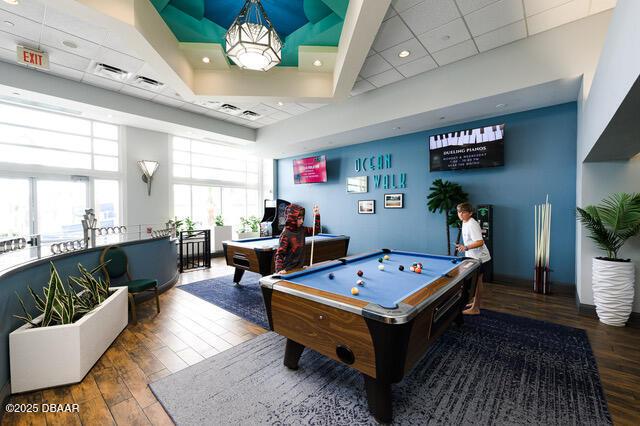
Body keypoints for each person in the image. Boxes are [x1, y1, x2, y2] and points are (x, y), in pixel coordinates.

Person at [455, 202, 491, 315]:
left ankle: (476, 308)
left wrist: (465, 247)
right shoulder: (464, 222)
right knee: (476, 282)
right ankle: (475, 303)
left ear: (470, 213)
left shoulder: (472, 224)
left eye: (463, 212)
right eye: (459, 212)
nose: (460, 214)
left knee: (477, 283)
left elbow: (480, 242)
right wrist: (464, 246)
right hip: (473, 258)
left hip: (480, 259)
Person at [275, 204, 320, 275]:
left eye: (302, 218)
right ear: (292, 218)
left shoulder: (302, 229)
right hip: (288, 271)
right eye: (299, 219)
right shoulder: (285, 234)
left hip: (299, 269)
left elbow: (316, 230)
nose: (302, 221)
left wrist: (316, 215)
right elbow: (280, 254)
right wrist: (279, 270)